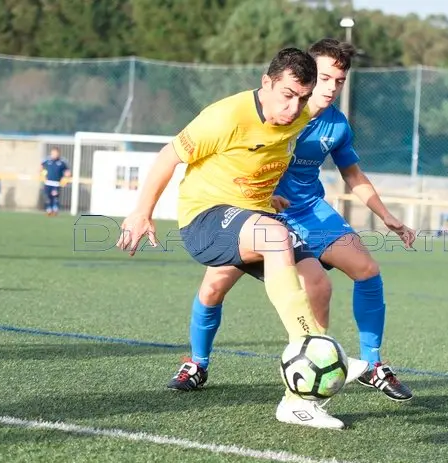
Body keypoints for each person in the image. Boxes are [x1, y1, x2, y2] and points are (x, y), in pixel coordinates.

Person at [117, 47, 366, 430]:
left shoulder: (300, 118)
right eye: (286, 95)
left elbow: (258, 162)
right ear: (266, 83)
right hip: (204, 218)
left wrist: (268, 196)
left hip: (254, 214)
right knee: (271, 238)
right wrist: (141, 212)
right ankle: (308, 343)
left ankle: (298, 402)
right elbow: (169, 156)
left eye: (301, 97)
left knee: (318, 283)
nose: (292, 107)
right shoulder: (226, 116)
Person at [175, 38, 417, 403]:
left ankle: (367, 365)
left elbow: (353, 175)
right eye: (324, 78)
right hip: (258, 210)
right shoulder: (277, 112)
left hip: (310, 211)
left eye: (339, 80)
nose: (331, 87)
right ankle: (197, 362)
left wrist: (387, 217)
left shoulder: (336, 125)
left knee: (365, 269)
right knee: (213, 289)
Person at [41, 147, 70, 216]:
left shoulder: (62, 162)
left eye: (56, 153)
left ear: (58, 153)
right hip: (48, 183)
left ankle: (55, 210)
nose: (54, 155)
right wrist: (41, 173)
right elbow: (41, 167)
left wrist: (66, 178)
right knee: (48, 197)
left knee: (55, 197)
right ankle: (49, 211)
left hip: (56, 183)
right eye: (53, 153)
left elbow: (67, 171)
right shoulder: (47, 160)